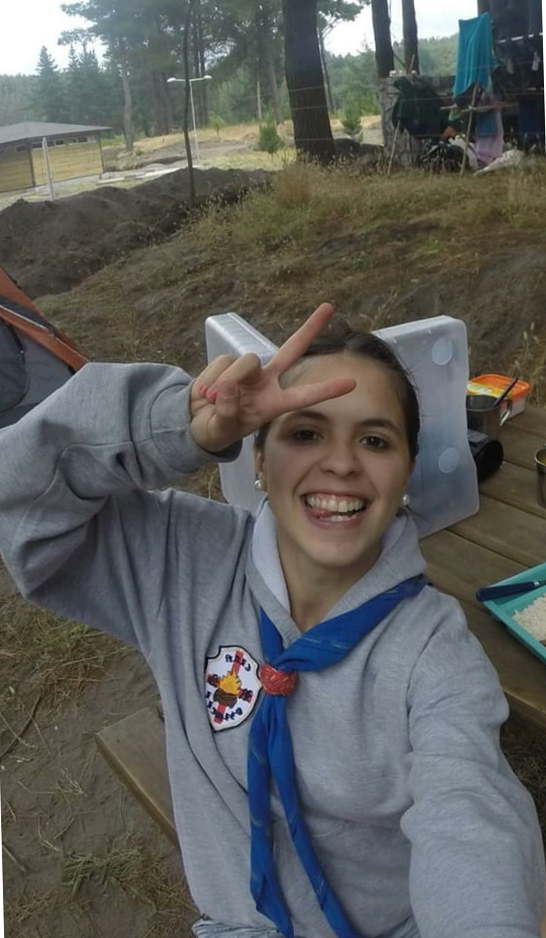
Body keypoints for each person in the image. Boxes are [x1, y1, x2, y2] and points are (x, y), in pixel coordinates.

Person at [0, 303, 544, 938]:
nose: (341, 463)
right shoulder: (179, 559)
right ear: (257, 458)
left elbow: (470, 809)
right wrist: (174, 423)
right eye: (305, 433)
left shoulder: (432, 649)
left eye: (375, 440)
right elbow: (18, 496)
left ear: (407, 471)